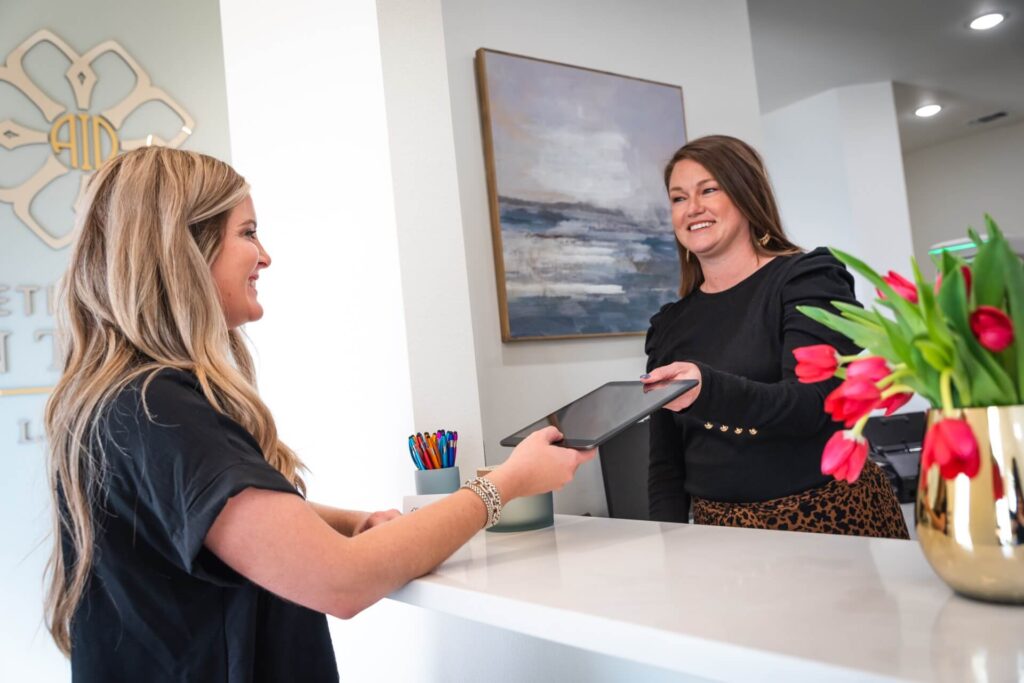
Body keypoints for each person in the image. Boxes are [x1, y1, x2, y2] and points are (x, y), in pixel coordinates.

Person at [43, 146, 594, 681]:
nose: (264, 256)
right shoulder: (157, 409)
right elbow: (342, 583)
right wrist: (505, 484)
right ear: (182, 248)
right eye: (248, 232)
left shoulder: (121, 401)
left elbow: (215, 515)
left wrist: (345, 523)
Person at [639, 135, 907, 538]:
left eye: (708, 190)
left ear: (746, 194)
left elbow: (818, 404)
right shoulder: (669, 324)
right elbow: (666, 461)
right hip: (720, 534)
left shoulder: (808, 278)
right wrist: (668, 545)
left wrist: (706, 389)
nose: (692, 208)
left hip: (826, 518)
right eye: (678, 198)